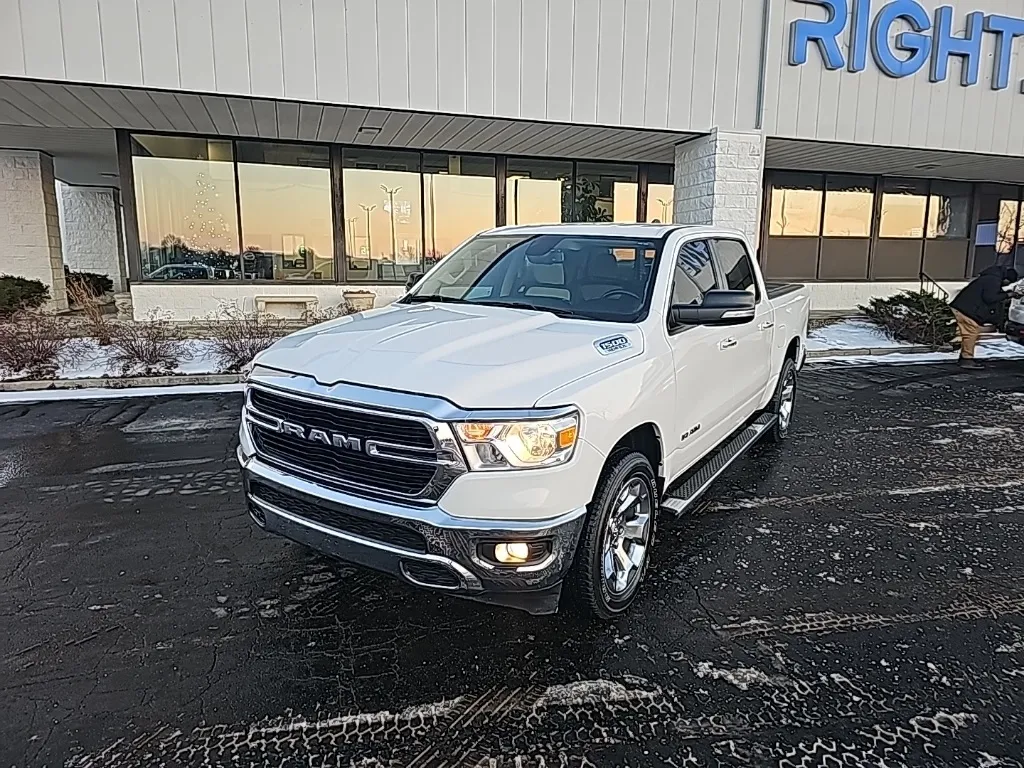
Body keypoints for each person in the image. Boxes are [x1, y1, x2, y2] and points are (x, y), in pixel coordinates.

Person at [950, 264, 1019, 369]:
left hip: (963, 307)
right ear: (1006, 278)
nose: (1006, 284)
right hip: (967, 310)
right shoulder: (993, 280)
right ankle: (966, 360)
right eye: (1008, 282)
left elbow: (990, 294)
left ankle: (964, 356)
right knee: (971, 333)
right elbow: (990, 298)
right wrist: (1008, 295)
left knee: (967, 333)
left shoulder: (989, 277)